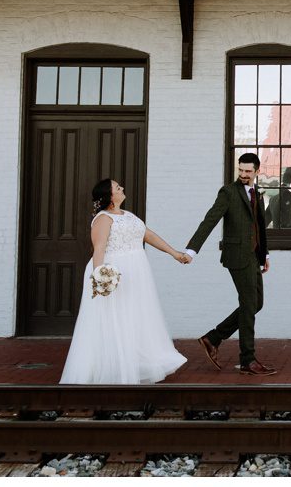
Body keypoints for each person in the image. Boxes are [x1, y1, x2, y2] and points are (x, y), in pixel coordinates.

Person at [59, 178, 190, 385]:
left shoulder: (128, 216)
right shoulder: (102, 219)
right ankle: (112, 368)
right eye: (117, 188)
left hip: (136, 274)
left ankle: (134, 363)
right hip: (113, 273)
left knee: (133, 317)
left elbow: (148, 235)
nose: (122, 189)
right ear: (110, 196)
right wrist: (100, 277)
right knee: (113, 320)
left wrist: (174, 253)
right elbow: (99, 248)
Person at [183, 152, 277, 376]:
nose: (243, 175)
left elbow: (259, 227)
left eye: (248, 171)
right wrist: (191, 249)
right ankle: (248, 360)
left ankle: (213, 338)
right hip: (237, 256)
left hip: (254, 256)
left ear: (256, 171)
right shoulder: (228, 192)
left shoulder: (257, 194)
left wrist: (265, 255)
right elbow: (210, 220)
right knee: (248, 305)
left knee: (256, 304)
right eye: (240, 170)